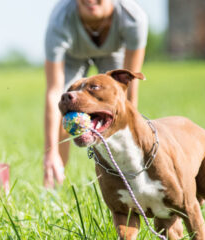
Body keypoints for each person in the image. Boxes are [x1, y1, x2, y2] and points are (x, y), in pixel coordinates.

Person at [43, 0, 148, 188]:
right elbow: (54, 91)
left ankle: (130, 179)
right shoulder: (60, 20)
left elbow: (130, 90)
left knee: (117, 110)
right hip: (72, 57)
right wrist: (51, 152)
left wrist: (129, 132)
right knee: (67, 107)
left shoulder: (133, 18)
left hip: (112, 52)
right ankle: (53, 186)